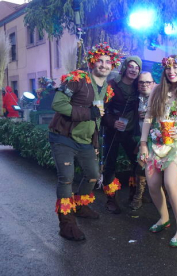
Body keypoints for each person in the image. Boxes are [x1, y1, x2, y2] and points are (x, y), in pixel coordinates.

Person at [49, 42, 121, 241]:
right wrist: (87, 112)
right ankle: (67, 224)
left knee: (92, 175)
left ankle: (81, 206)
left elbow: (97, 119)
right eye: (100, 61)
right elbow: (57, 103)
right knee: (66, 178)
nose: (104, 65)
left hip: (86, 141)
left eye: (108, 62)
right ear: (92, 61)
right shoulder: (77, 79)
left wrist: (95, 144)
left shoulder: (107, 88)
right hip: (63, 137)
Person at [139, 55, 177, 247]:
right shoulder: (157, 90)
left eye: (175, 68)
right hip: (155, 142)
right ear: (164, 71)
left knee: (171, 183)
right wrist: (142, 143)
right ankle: (164, 218)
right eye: (168, 68)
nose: (172, 72)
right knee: (153, 184)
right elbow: (149, 117)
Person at [101, 56, 142, 214]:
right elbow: (101, 110)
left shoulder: (139, 86)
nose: (133, 70)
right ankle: (110, 199)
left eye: (137, 68)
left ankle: (134, 194)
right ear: (125, 67)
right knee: (110, 165)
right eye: (131, 66)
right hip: (113, 132)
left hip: (132, 131)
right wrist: (112, 122)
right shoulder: (112, 85)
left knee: (137, 162)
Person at [130, 71, 156, 210]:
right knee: (141, 166)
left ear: (153, 83)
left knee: (160, 169)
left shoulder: (159, 96)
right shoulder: (135, 98)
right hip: (141, 139)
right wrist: (137, 115)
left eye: (148, 82)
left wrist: (150, 115)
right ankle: (138, 197)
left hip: (158, 139)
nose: (144, 85)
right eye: (141, 82)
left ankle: (162, 198)